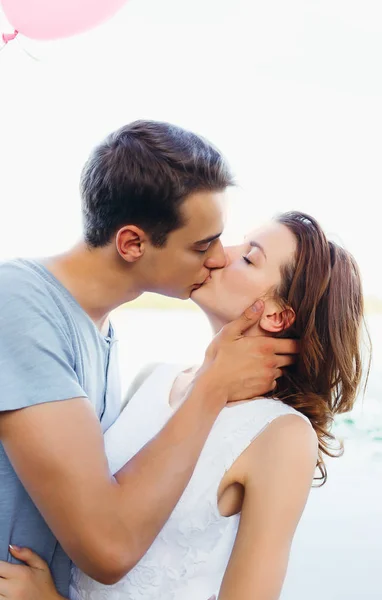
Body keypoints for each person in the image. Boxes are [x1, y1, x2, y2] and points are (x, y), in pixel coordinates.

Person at [0, 121, 298, 599]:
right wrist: (212, 385)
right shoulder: (20, 305)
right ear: (133, 244)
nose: (220, 258)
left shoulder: (102, 332)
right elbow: (109, 547)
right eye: (203, 245)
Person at [0, 211, 367, 600]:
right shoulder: (153, 379)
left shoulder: (282, 435)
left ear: (277, 315)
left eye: (248, 257)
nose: (220, 253)